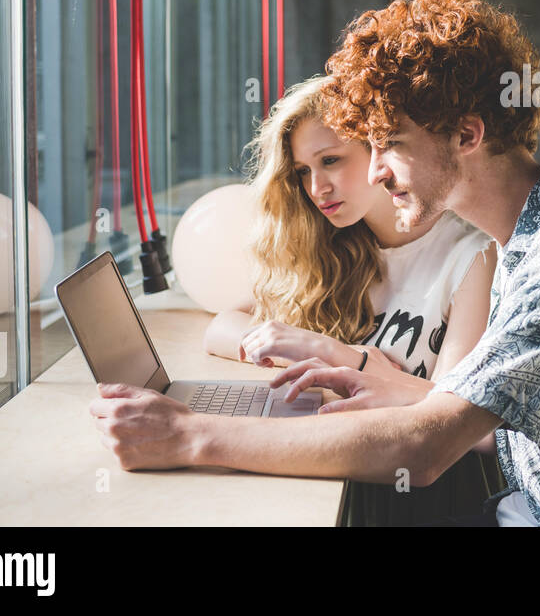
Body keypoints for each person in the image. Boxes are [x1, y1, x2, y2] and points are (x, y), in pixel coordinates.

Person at [91, 0, 540, 526]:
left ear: (468, 134)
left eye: (389, 143)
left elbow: (423, 455)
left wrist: (191, 435)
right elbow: (497, 423)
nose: (379, 172)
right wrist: (388, 387)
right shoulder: (530, 239)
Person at [201, 75, 500, 524]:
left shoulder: (470, 254)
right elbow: (222, 326)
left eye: (332, 161)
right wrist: (301, 353)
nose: (317, 187)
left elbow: (457, 420)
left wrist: (335, 354)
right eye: (303, 171)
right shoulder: (334, 248)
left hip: (430, 499)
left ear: (379, 151)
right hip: (342, 471)